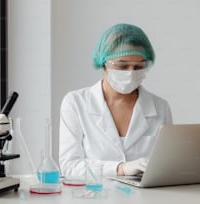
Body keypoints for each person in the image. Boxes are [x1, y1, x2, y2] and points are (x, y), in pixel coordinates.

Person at [59, 23, 172, 177]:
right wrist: (120, 168)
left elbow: (166, 164)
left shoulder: (160, 107)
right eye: (122, 66)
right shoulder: (75, 103)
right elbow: (70, 166)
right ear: (104, 64)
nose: (131, 73)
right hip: (95, 197)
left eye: (138, 67)